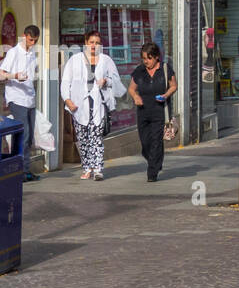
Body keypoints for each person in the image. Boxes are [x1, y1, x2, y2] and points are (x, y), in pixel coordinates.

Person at [59, 31, 123, 180]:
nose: (94, 45)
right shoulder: (75, 60)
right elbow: (65, 82)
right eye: (91, 42)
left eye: (97, 42)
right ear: (86, 42)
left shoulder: (106, 60)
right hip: (79, 106)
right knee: (83, 138)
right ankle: (87, 168)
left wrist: (106, 81)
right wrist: (67, 100)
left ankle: (98, 169)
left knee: (96, 137)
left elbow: (116, 80)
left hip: (99, 103)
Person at [127, 43, 176, 182]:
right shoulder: (139, 71)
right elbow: (131, 88)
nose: (146, 61)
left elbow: (174, 86)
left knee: (155, 141)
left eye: (148, 58)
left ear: (156, 57)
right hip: (143, 111)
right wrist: (136, 97)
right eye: (143, 58)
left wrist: (165, 95)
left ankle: (152, 172)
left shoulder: (165, 69)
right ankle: (156, 161)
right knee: (145, 143)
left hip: (159, 111)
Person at [1, 24, 42, 182]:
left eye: (35, 41)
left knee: (30, 137)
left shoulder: (31, 53)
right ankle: (20, 173)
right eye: (31, 40)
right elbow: (1, 74)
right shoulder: (13, 52)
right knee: (23, 136)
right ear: (24, 36)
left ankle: (25, 170)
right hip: (17, 98)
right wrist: (15, 76)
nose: (33, 43)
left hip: (29, 99)